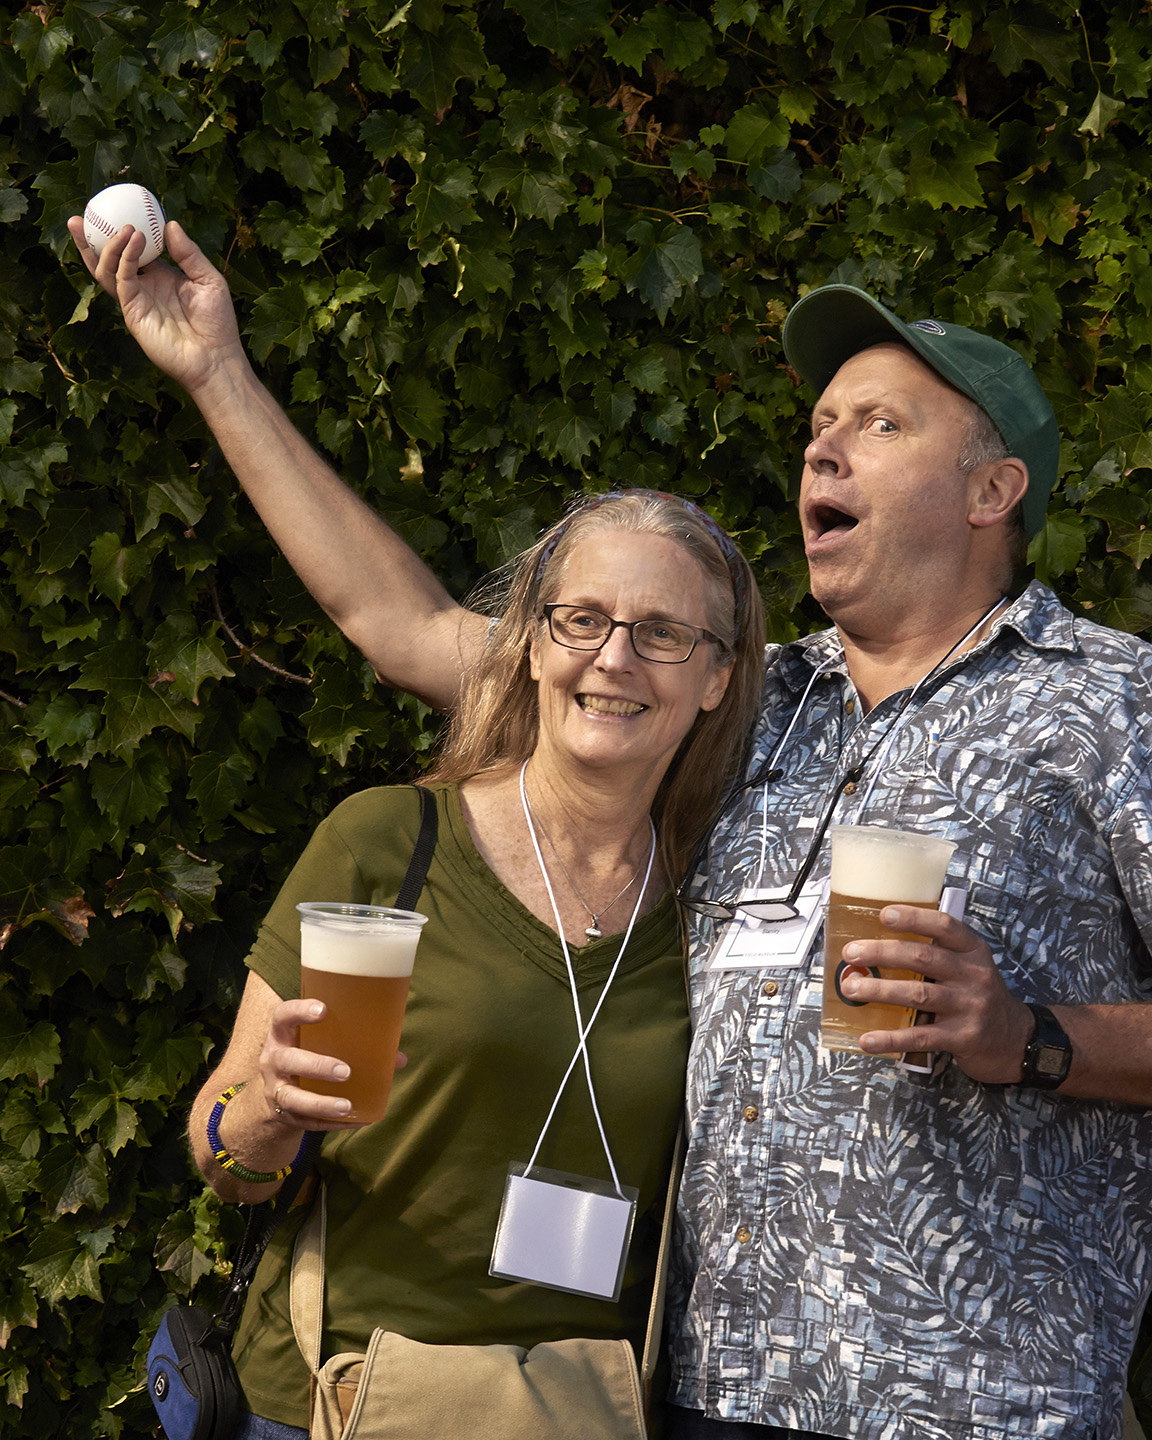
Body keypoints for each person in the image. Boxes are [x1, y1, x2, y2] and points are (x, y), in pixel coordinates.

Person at [73, 220, 1152, 1440]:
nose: (823, 447)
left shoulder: (1111, 704)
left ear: (992, 490)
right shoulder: (747, 704)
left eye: (880, 425)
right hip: (708, 1398)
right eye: (819, 428)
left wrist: (1032, 1035)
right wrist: (217, 369)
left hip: (984, 1404)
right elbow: (404, 622)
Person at [183, 487, 765, 1437]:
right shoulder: (388, 840)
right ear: (534, 643)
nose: (614, 656)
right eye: (582, 619)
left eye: (663, 633)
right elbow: (223, 1159)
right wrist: (268, 1114)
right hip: (332, 1404)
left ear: (714, 677)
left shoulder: (722, 907)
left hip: (575, 1414)